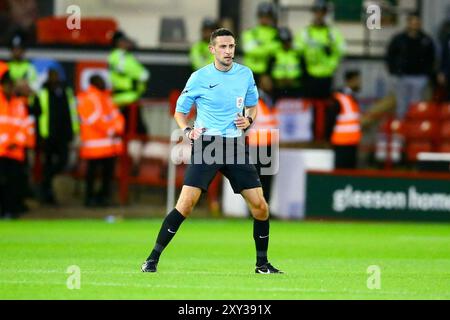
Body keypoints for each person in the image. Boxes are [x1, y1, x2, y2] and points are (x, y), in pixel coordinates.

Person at [141, 28, 283, 274]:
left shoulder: (245, 74)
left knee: (260, 206)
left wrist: (249, 121)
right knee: (186, 204)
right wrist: (187, 131)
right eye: (223, 47)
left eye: (232, 46)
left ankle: (262, 264)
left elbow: (252, 107)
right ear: (212, 49)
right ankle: (151, 259)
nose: (229, 51)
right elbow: (180, 112)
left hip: (234, 146)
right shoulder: (198, 77)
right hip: (207, 145)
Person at [77, 75, 125, 207]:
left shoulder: (107, 98)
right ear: (93, 83)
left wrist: (117, 128)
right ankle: (89, 199)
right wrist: (110, 129)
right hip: (94, 146)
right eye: (100, 80)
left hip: (110, 146)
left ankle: (103, 198)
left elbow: (117, 116)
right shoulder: (88, 98)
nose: (104, 82)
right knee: (91, 174)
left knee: (107, 175)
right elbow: (92, 119)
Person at [34, 69, 79, 204]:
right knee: (47, 164)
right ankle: (46, 193)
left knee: (63, 162)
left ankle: (45, 183)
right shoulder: (42, 92)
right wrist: (39, 135)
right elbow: (37, 114)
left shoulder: (66, 91)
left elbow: (71, 113)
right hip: (47, 135)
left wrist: (72, 132)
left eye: (56, 75)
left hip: (62, 135)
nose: (54, 78)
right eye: (51, 76)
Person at [386, 12, 435, 118]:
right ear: (408, 23)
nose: (414, 25)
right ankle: (401, 129)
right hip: (402, 76)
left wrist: (427, 73)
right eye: (412, 22)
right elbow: (390, 55)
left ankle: (414, 128)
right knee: (401, 105)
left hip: (419, 77)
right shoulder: (399, 39)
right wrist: (393, 71)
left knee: (416, 105)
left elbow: (431, 58)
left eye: (417, 23)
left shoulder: (426, 40)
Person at [294, 0, 345, 98]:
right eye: (317, 11)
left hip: (327, 77)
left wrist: (330, 67)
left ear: (326, 14)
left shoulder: (332, 33)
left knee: (324, 105)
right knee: (310, 105)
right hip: (309, 76)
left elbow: (340, 51)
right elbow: (297, 51)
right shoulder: (305, 33)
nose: (319, 15)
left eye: (322, 12)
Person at [0, 71, 34, 218]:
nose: (10, 89)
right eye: (8, 86)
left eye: (12, 86)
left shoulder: (19, 104)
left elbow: (25, 125)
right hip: (1, 150)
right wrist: (5, 142)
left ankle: (11, 211)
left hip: (15, 151)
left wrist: (17, 142)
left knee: (14, 183)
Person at [108, 30, 150, 134]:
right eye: (123, 41)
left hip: (131, 98)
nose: (126, 43)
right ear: (117, 43)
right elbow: (139, 72)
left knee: (135, 130)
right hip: (124, 100)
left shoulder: (126, 56)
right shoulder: (117, 56)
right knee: (132, 130)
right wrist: (141, 74)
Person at [246, 74, 278, 203]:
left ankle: (265, 209)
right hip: (256, 144)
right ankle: (255, 209)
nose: (269, 83)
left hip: (269, 143)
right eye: (266, 81)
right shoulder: (253, 98)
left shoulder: (268, 98)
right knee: (256, 179)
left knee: (267, 178)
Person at [326, 70, 362, 169]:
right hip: (341, 143)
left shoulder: (351, 97)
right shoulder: (339, 97)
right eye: (357, 80)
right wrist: (328, 138)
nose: (359, 83)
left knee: (350, 172)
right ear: (350, 80)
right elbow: (330, 119)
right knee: (341, 171)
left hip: (352, 142)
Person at [241, 2, 280, 82]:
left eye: (267, 16)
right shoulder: (250, 32)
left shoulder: (276, 33)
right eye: (262, 15)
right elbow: (249, 50)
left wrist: (260, 47)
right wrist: (267, 48)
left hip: (268, 72)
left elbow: (277, 50)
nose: (265, 19)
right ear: (258, 16)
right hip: (250, 73)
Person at [268, 27, 302, 98]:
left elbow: (304, 72)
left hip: (295, 90)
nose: (286, 43)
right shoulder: (274, 55)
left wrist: (295, 81)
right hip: (278, 89)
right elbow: (268, 72)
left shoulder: (297, 54)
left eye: (288, 40)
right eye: (283, 41)